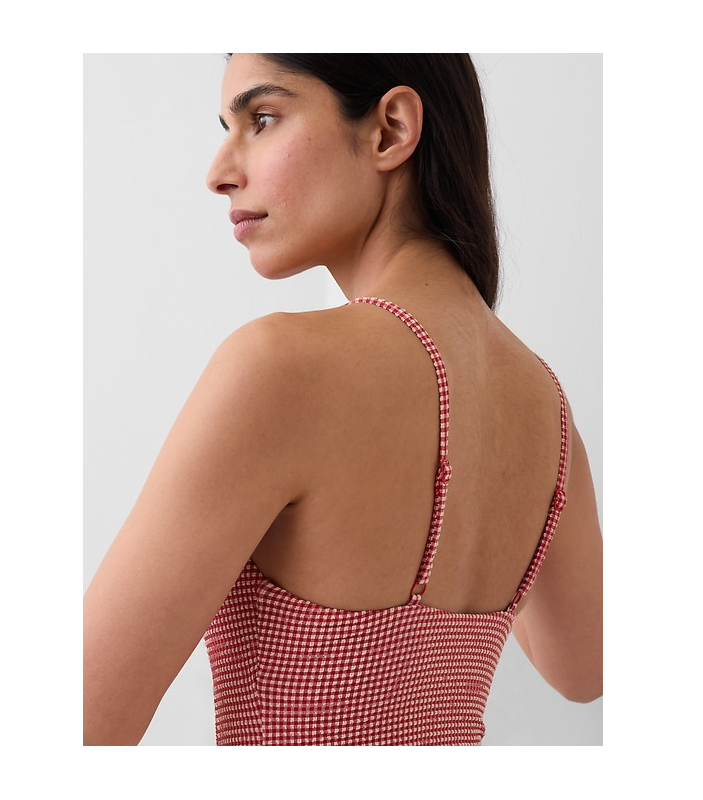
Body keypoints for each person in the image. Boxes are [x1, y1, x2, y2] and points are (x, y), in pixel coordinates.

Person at [83, 53, 603, 746]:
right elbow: (583, 668)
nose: (219, 171)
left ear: (390, 129)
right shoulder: (545, 408)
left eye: (262, 118)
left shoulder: (280, 370)